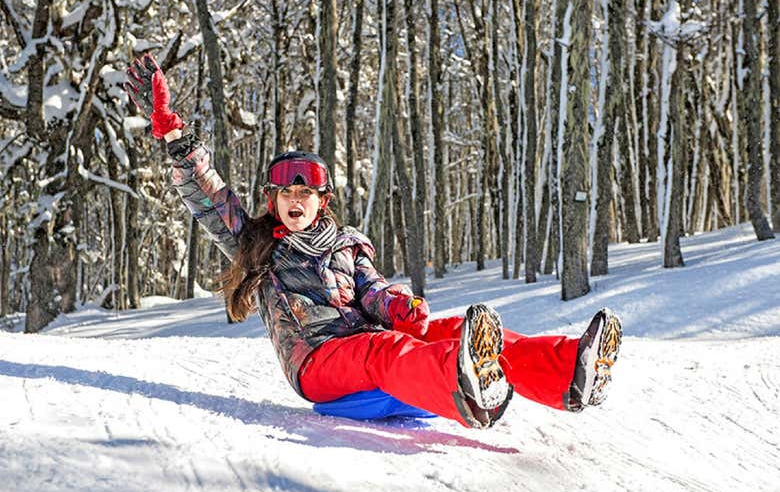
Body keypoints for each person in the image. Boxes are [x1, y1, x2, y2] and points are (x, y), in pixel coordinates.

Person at [125, 54, 623, 429]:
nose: (295, 200)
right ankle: (466, 387)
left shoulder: (347, 243)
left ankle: (568, 372)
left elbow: (372, 290)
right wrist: (173, 133)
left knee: (450, 329)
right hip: (317, 361)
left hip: (365, 344)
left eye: (305, 192)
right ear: (271, 200)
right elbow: (208, 195)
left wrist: (399, 305)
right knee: (384, 347)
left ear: (323, 200)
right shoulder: (256, 243)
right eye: (285, 193)